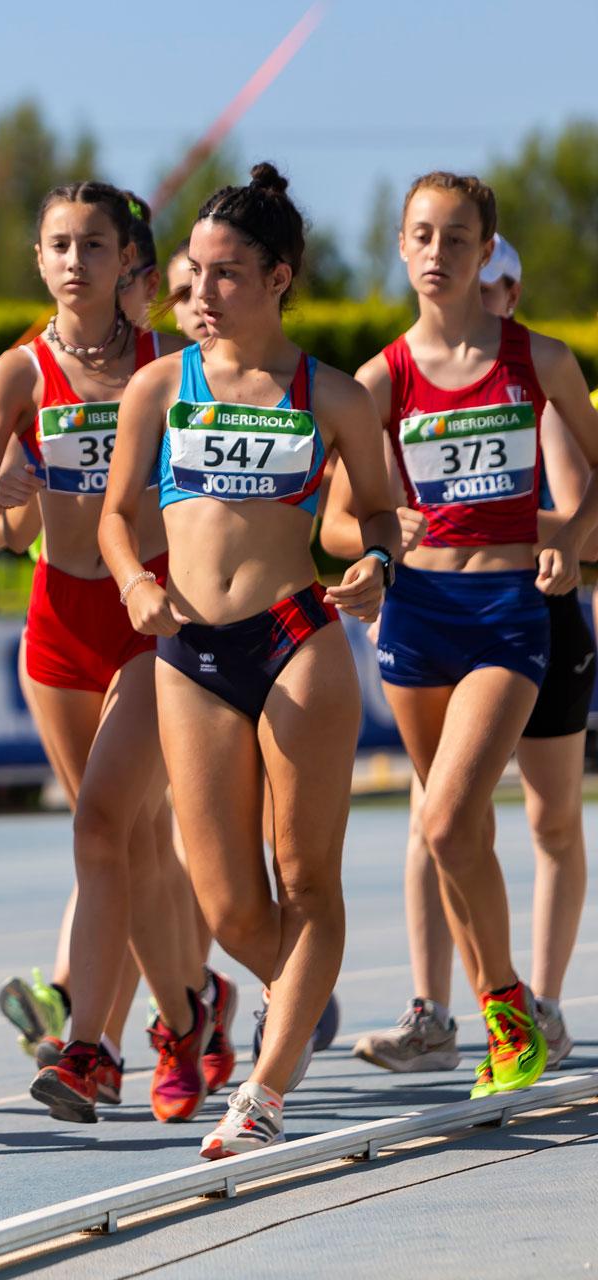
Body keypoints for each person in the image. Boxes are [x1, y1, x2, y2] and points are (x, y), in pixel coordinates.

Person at [102, 162, 401, 1157]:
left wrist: (374, 568)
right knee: (228, 903)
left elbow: (379, 524)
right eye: (192, 273)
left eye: (226, 274)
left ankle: (264, 1090)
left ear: (280, 277)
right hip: (188, 649)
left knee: (307, 879)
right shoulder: (157, 386)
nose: (201, 294)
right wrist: (137, 584)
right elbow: (113, 519)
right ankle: (299, 992)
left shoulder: (337, 396)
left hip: (293, 637)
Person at [0, 184, 216, 1127]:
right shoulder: (20, 373)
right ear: (38, 260)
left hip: (149, 614)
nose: (74, 261)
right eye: (58, 244)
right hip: (56, 624)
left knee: (104, 828)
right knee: (130, 843)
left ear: (125, 262)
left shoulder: (174, 364)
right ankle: (185, 1021)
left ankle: (91, 1050)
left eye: (93, 245)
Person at [337, 179, 598, 1099]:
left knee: (447, 821)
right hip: (415, 619)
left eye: (457, 236)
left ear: (487, 251)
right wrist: (374, 547)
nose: (438, 251)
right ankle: (501, 1019)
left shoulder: (539, 360)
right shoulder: (380, 379)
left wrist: (565, 539)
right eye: (421, 235)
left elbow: (596, 473)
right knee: (453, 833)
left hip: (506, 617)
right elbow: (337, 515)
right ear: (401, 249)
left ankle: (506, 1011)